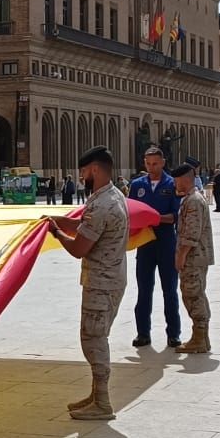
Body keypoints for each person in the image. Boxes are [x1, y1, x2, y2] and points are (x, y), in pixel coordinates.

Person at [49, 146, 128, 420]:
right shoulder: (112, 195)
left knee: (94, 338)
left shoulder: (103, 205)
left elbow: (80, 247)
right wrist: (59, 222)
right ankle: (96, 394)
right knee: (95, 335)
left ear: (94, 169)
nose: (81, 177)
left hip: (102, 282)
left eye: (83, 172)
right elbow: (84, 226)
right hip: (109, 278)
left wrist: (57, 233)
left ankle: (103, 402)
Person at [126, 145, 182, 349]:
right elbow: (131, 211)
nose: (151, 167)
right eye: (148, 164)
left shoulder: (171, 184)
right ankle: (143, 333)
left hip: (166, 242)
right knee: (144, 290)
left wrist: (154, 218)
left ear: (163, 162)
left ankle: (173, 334)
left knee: (170, 290)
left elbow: (176, 216)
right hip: (145, 242)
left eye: (155, 163)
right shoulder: (137, 185)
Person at [171, 162, 213, 354]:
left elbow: (191, 234)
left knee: (193, 295)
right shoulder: (192, 198)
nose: (174, 184)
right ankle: (202, 338)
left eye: (176, 180)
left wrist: (181, 256)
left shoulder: (193, 201)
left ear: (185, 179)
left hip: (193, 258)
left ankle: (199, 338)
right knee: (197, 295)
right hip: (197, 257)